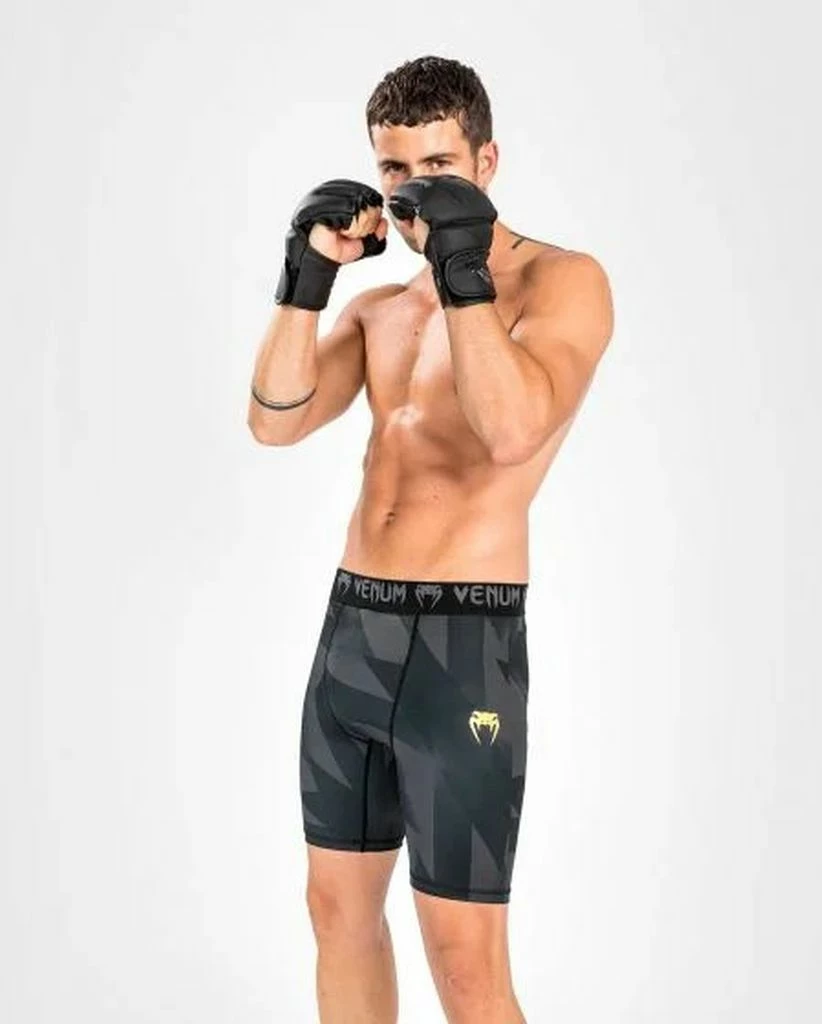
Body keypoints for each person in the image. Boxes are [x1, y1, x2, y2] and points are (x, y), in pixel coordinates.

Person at [247, 54, 613, 1024]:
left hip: (463, 647)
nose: (414, 193)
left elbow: (512, 431)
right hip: (352, 635)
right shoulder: (380, 310)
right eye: (395, 171)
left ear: (487, 161)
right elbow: (274, 421)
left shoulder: (563, 284)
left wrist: (463, 275)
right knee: (335, 915)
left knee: (463, 965)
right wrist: (304, 282)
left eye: (439, 166)